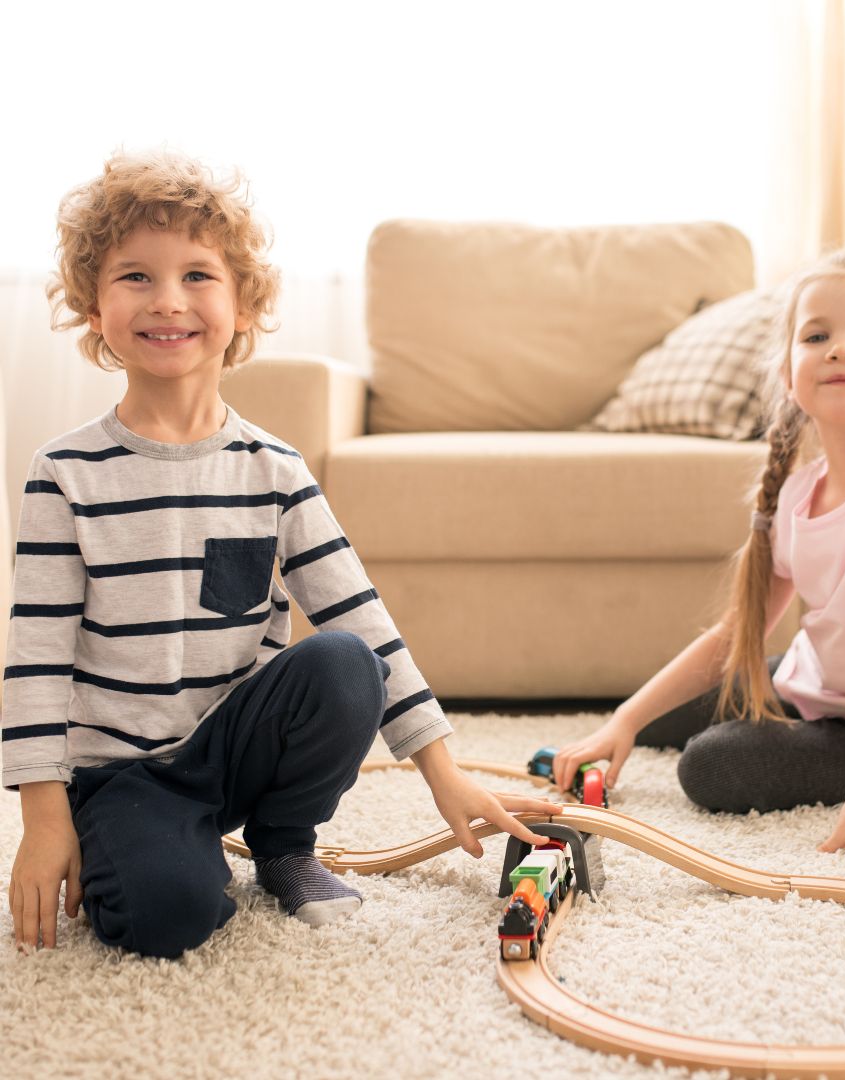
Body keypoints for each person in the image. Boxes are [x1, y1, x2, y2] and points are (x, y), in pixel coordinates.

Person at [3, 150, 559, 959]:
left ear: (243, 306)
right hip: (120, 772)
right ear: (94, 307)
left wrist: (441, 768)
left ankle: (283, 844)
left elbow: (360, 619)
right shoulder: (64, 474)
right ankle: (163, 849)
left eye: (198, 276)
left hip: (235, 745)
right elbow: (36, 658)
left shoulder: (275, 469)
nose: (168, 301)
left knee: (342, 661)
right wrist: (45, 818)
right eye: (135, 278)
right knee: (165, 917)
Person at [554, 252, 845, 865]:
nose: (842, 349)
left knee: (710, 766)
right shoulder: (797, 491)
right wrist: (621, 722)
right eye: (818, 336)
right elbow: (740, 633)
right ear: (790, 377)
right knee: (655, 722)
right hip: (821, 680)